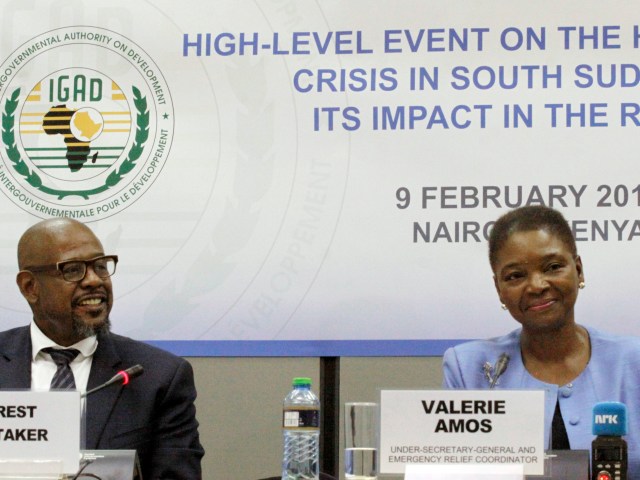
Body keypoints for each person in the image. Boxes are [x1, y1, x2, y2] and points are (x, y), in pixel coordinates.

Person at [442, 205, 640, 476]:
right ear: (499, 289)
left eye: (553, 267)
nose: (536, 285)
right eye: (515, 276)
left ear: (579, 270)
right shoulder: (467, 368)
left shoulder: (633, 360)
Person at [0, 218, 204, 479]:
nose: (94, 280)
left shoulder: (159, 378)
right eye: (73, 270)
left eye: (100, 266)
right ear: (30, 287)